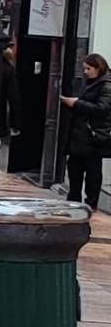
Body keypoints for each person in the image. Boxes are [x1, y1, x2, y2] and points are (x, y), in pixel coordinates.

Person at [62, 52, 111, 212]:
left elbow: (102, 109)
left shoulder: (105, 85)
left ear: (98, 68)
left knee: (92, 172)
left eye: (88, 68)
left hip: (92, 136)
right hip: (80, 135)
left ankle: (90, 204)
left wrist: (76, 103)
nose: (85, 72)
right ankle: (74, 201)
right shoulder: (92, 83)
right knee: (75, 169)